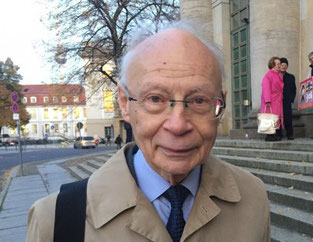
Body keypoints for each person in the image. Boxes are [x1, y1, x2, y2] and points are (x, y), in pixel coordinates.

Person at [26, 21, 270, 242]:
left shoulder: (253, 198)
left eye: (198, 101)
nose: (177, 125)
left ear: (221, 105)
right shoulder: (56, 220)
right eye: (155, 99)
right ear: (125, 103)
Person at [260, 56, 284, 141]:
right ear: (273, 65)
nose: (279, 65)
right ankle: (269, 136)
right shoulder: (269, 74)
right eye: (278, 64)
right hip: (271, 100)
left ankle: (275, 135)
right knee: (270, 117)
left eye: (279, 64)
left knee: (276, 117)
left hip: (277, 100)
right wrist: (267, 100)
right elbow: (266, 87)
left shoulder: (279, 74)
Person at [280, 57, 296, 140]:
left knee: (288, 118)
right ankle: (279, 134)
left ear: (287, 66)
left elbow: (294, 89)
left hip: (287, 100)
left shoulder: (291, 77)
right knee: (278, 118)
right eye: (282, 65)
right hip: (277, 101)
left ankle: (290, 134)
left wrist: (291, 98)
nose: (283, 66)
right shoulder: (276, 76)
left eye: (285, 65)